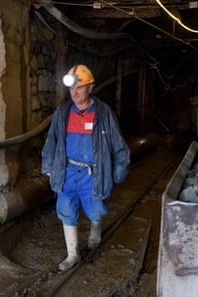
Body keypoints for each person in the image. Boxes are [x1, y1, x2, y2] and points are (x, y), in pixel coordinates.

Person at [41, 64, 131, 272]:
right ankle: (72, 254)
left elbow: (119, 146)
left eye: (80, 88)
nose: (75, 93)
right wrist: (48, 167)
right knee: (66, 210)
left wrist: (117, 173)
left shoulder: (103, 113)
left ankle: (95, 229)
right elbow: (51, 141)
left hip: (93, 173)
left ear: (90, 87)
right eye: (72, 89)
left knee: (96, 209)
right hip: (67, 171)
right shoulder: (63, 113)